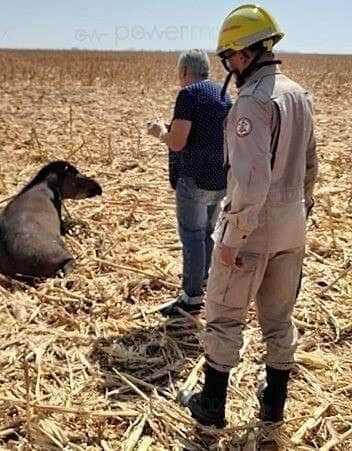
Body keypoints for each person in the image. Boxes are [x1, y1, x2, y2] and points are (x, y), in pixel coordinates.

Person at [178, 4, 319, 432]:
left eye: (229, 57)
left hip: (252, 230)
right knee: (279, 318)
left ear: (243, 54)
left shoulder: (251, 104)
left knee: (223, 315)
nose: (229, 66)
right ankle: (273, 407)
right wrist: (301, 213)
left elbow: (252, 183)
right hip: (292, 226)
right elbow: (312, 165)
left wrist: (232, 239)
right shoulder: (298, 93)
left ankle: (212, 406)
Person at [147, 49, 232, 317]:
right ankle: (203, 281)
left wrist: (160, 132)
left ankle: (191, 298)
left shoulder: (188, 94)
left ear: (184, 71)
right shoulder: (223, 94)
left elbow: (177, 141)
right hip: (219, 179)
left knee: (192, 237)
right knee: (207, 233)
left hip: (194, 180)